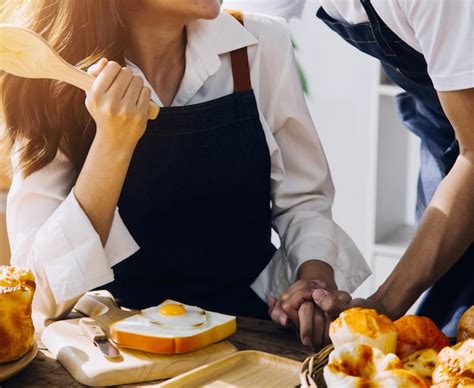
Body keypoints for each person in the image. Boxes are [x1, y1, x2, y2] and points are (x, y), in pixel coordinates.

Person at [1, 0, 369, 348]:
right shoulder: (53, 78)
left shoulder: (257, 47)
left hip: (252, 338)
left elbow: (303, 201)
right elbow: (39, 296)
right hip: (118, 350)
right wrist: (112, 144)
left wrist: (314, 283)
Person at [235, 0, 473, 338]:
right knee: (438, 329)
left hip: (470, 149)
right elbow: (239, 38)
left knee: (458, 334)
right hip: (445, 130)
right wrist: (312, 278)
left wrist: (382, 306)